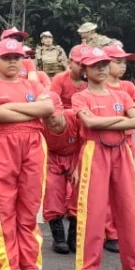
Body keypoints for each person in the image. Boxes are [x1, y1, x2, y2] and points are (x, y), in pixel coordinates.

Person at [0, 38, 55, 270]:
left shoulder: (32, 83)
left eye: (17, 57)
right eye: (7, 57)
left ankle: (31, 267)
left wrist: (9, 106)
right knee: (4, 208)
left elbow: (47, 107)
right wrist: (31, 112)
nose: (12, 61)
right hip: (1, 144)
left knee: (30, 207)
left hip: (33, 144)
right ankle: (9, 268)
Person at [72, 47, 135, 270]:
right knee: (93, 211)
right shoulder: (81, 97)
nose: (102, 68)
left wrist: (105, 122)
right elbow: (90, 123)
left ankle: (134, 268)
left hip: (122, 152)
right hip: (95, 152)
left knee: (128, 209)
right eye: (96, 65)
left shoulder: (122, 94)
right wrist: (120, 122)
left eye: (105, 64)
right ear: (85, 70)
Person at [41, 94, 79, 255]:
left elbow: (87, 141)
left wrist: (78, 166)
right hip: (52, 156)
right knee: (52, 191)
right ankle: (59, 238)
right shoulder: (40, 125)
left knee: (80, 192)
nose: (51, 121)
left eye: (53, 116)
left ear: (61, 110)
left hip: (76, 155)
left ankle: (74, 234)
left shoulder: (75, 118)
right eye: (46, 118)